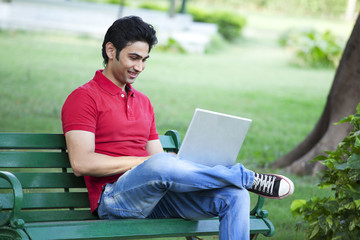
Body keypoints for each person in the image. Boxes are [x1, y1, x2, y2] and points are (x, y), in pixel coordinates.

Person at [61, 16, 294, 240]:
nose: (140, 67)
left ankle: (241, 183)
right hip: (114, 200)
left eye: (144, 60)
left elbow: (159, 162)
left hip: (154, 198)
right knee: (162, 163)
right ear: (111, 51)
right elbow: (82, 164)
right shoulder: (84, 98)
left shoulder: (143, 102)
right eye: (134, 58)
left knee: (236, 195)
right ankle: (244, 176)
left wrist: (171, 164)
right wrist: (144, 163)